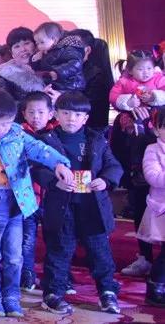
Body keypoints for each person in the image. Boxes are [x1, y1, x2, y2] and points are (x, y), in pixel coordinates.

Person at [0, 91, 71, 318]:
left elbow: (39, 149)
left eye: (11, 122)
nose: (8, 126)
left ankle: (11, 295)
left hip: (18, 199)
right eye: (4, 123)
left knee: (14, 253)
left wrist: (59, 163)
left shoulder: (16, 133)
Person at [36, 92, 123, 315]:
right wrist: (54, 182)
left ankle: (107, 291)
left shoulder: (97, 139)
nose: (71, 119)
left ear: (85, 118)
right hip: (62, 206)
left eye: (77, 114)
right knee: (59, 250)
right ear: (55, 114)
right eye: (65, 113)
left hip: (92, 206)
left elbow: (113, 166)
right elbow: (36, 168)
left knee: (100, 251)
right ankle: (53, 293)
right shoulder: (47, 140)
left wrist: (105, 181)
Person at [110, 48, 165, 277]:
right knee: (140, 200)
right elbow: (114, 98)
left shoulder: (159, 81)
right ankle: (145, 257)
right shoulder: (124, 85)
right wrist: (130, 104)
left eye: (149, 68)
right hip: (138, 152)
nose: (145, 73)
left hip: (157, 141)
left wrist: (155, 99)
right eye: (140, 69)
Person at [19, 91, 58, 290]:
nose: (36, 117)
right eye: (31, 112)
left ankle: (58, 276)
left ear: (51, 113)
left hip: (52, 196)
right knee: (27, 238)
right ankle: (27, 273)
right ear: (24, 114)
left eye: (41, 112)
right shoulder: (19, 135)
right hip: (28, 196)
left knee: (55, 238)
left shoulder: (57, 135)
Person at [138, 108, 165, 306]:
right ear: (156, 129)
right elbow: (153, 177)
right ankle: (155, 286)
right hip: (161, 208)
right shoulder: (153, 150)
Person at [31, 22, 86, 92]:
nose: (39, 46)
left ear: (54, 40)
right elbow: (40, 68)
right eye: (37, 43)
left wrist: (58, 73)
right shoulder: (46, 52)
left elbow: (76, 63)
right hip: (56, 84)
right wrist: (35, 60)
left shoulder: (67, 49)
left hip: (71, 85)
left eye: (42, 42)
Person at [0, 27, 46, 103]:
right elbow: (5, 105)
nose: (23, 49)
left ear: (36, 45)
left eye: (26, 43)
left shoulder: (49, 65)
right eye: (17, 46)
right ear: (12, 53)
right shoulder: (5, 76)